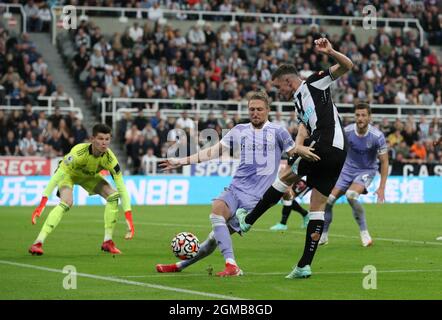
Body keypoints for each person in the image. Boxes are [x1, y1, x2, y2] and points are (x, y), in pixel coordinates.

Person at [236, 38, 353, 279]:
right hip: (339, 151)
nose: (279, 92)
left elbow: (348, 66)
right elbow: (303, 127)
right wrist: (298, 147)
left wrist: (330, 51)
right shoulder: (297, 101)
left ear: (289, 81)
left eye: (280, 87)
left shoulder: (314, 82)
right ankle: (304, 265)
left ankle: (248, 220)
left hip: (326, 143)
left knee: (284, 178)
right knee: (317, 206)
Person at [156, 91, 295, 276]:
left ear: (268, 110)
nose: (255, 113)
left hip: (256, 199)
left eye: (259, 109)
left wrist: (285, 185)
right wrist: (180, 161)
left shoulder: (279, 132)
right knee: (216, 210)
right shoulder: (239, 130)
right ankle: (231, 265)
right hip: (235, 188)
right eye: (252, 109)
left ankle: (181, 266)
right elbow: (212, 151)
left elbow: (294, 156)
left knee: (214, 238)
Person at [28, 124, 135, 256]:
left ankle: (107, 241)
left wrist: (128, 217)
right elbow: (57, 176)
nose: (104, 143)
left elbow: (122, 188)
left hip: (89, 177)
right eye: (100, 139)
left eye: (107, 139)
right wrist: (42, 203)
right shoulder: (78, 153)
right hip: (69, 176)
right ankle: (38, 243)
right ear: (92, 139)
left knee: (113, 196)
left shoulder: (110, 159)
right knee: (67, 202)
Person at [319, 102, 389, 247]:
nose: (360, 118)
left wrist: (382, 187)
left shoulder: (377, 136)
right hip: (346, 171)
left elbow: (384, 162)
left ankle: (364, 233)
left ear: (370, 117)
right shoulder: (347, 132)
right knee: (328, 200)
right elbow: (337, 152)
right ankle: (324, 235)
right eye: (357, 115)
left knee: (351, 195)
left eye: (363, 115)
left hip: (366, 172)